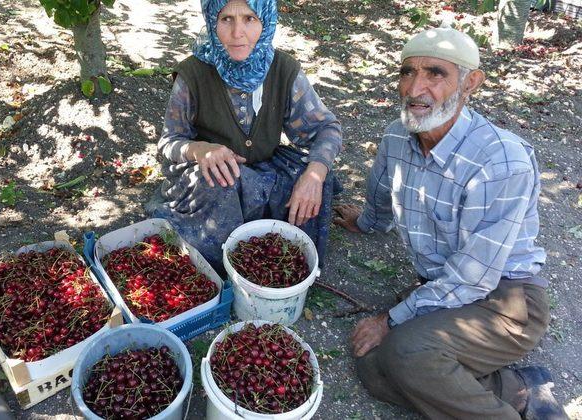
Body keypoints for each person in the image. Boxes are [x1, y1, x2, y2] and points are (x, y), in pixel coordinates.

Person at [334, 27, 568, 419]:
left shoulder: (500, 160)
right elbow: (379, 197)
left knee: (403, 350)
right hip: (448, 286)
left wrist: (391, 318)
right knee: (374, 368)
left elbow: (474, 278)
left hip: (506, 299)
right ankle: (518, 389)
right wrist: (366, 222)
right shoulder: (397, 136)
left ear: (470, 82)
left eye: (435, 73)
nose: (415, 88)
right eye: (407, 72)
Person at [149, 0, 342, 270]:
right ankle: (221, 271)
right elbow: (169, 143)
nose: (237, 32)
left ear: (266, 22)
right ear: (212, 20)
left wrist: (314, 175)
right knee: (221, 185)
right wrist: (200, 149)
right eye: (226, 18)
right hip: (213, 175)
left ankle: (275, 257)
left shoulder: (282, 69)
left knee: (317, 175)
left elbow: (325, 128)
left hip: (264, 165)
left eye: (250, 18)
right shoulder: (193, 74)